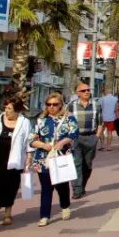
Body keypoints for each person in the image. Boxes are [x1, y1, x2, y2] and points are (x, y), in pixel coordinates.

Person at [29, 92, 79, 227]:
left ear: (60, 105)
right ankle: (44, 216)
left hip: (60, 157)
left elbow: (74, 133)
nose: (51, 107)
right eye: (49, 104)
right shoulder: (40, 120)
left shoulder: (68, 118)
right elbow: (31, 139)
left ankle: (65, 205)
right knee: (46, 188)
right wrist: (42, 145)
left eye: (55, 104)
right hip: (43, 159)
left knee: (61, 186)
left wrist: (62, 142)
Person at [0, 97, 31, 226]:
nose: (6, 111)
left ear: (17, 110)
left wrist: (29, 157)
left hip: (15, 158)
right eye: (5, 108)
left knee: (11, 186)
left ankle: (7, 213)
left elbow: (29, 140)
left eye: (9, 108)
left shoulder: (24, 122)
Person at [68, 83, 101, 199]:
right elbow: (66, 122)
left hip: (91, 137)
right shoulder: (71, 106)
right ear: (77, 93)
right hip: (76, 138)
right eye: (83, 91)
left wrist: (97, 137)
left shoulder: (96, 105)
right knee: (77, 164)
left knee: (87, 165)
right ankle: (77, 190)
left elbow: (100, 123)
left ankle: (82, 186)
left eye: (88, 90)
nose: (86, 92)